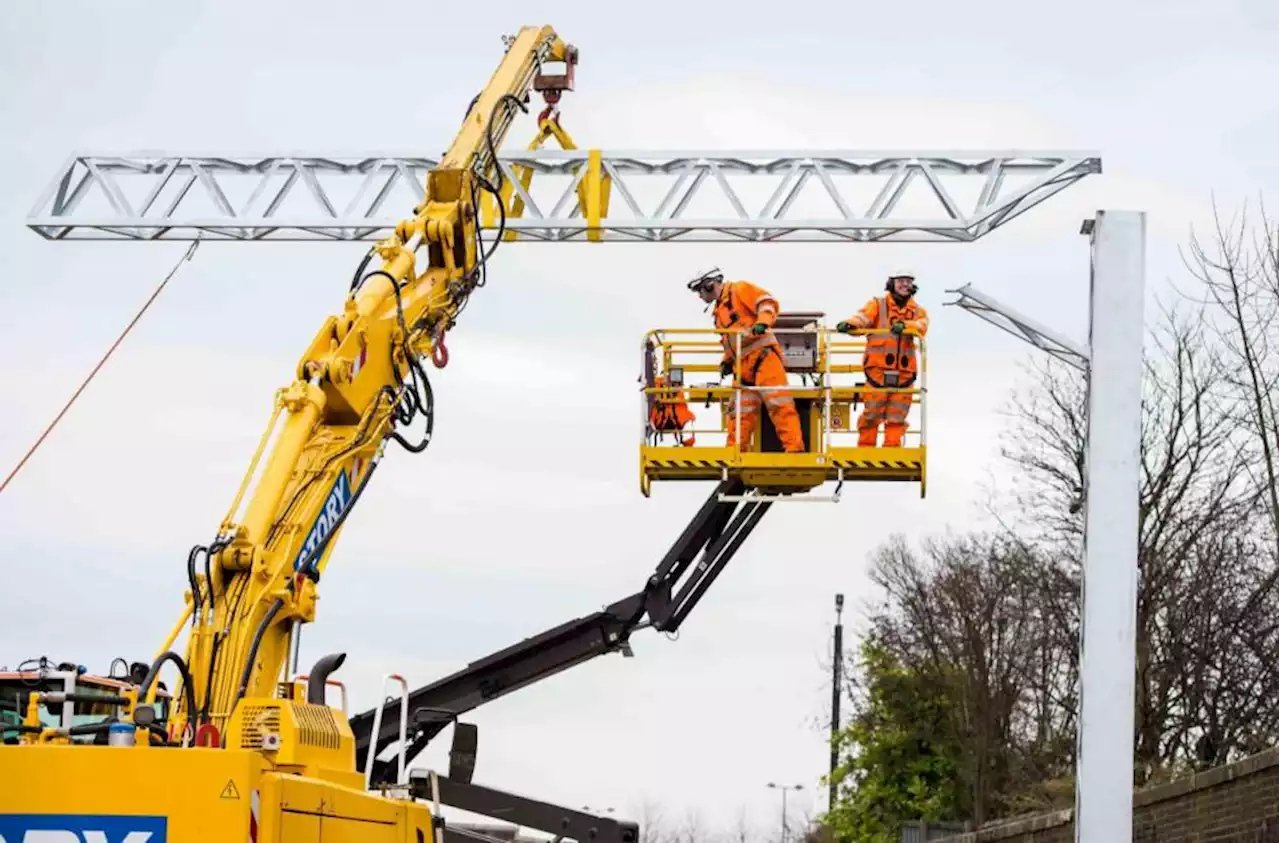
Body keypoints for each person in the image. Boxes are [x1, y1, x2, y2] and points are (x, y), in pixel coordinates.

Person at [686, 268, 805, 453]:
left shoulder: (739, 290)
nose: (699, 296)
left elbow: (766, 302)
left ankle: (795, 450)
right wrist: (727, 360)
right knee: (739, 414)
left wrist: (763, 322)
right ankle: (735, 454)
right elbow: (731, 341)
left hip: (764, 358)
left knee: (779, 404)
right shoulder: (719, 312)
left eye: (700, 290)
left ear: (710, 285)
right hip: (742, 366)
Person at [836, 271, 929, 448]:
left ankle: (892, 448)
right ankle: (865, 448)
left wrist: (906, 326)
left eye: (908, 281)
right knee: (872, 413)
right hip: (877, 372)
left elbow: (921, 326)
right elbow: (863, 317)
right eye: (901, 281)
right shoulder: (878, 305)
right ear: (892, 283)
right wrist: (850, 324)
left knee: (897, 417)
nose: (905, 285)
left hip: (904, 375)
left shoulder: (918, 311)